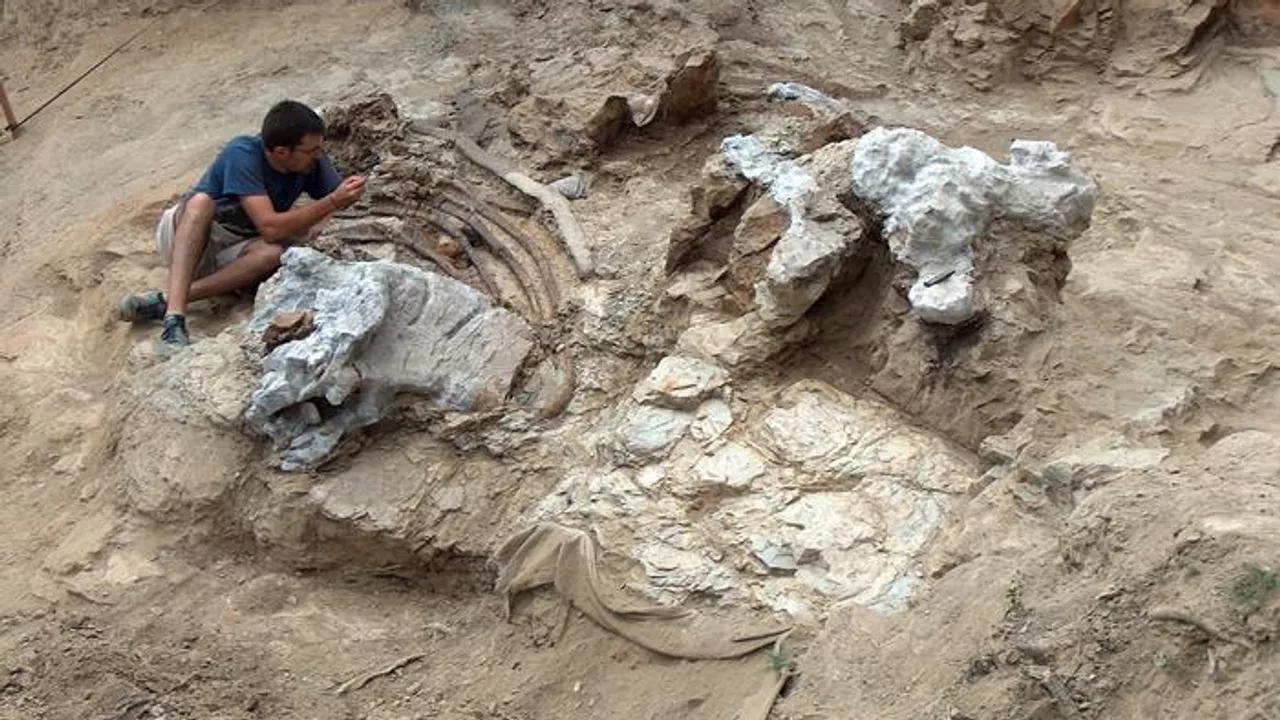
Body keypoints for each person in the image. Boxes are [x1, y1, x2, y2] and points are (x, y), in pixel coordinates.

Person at [117, 100, 367, 346]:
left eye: (319, 148)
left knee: (272, 253)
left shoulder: (310, 162)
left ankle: (166, 299)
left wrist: (332, 209)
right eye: (311, 151)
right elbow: (271, 227)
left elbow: (340, 204)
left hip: (237, 249)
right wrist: (331, 202)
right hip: (191, 237)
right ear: (282, 151)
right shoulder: (243, 153)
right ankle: (174, 318)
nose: (319, 156)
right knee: (200, 203)